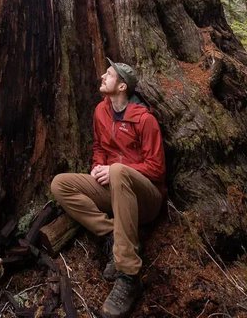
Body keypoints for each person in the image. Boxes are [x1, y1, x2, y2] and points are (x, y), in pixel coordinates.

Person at [49, 60, 166, 318]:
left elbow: (157, 169)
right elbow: (99, 148)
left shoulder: (144, 119)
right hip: (114, 189)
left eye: (109, 74)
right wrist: (97, 167)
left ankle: (129, 275)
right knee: (60, 184)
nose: (102, 75)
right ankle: (113, 234)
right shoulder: (101, 111)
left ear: (122, 86)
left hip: (146, 199)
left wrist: (115, 169)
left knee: (118, 171)